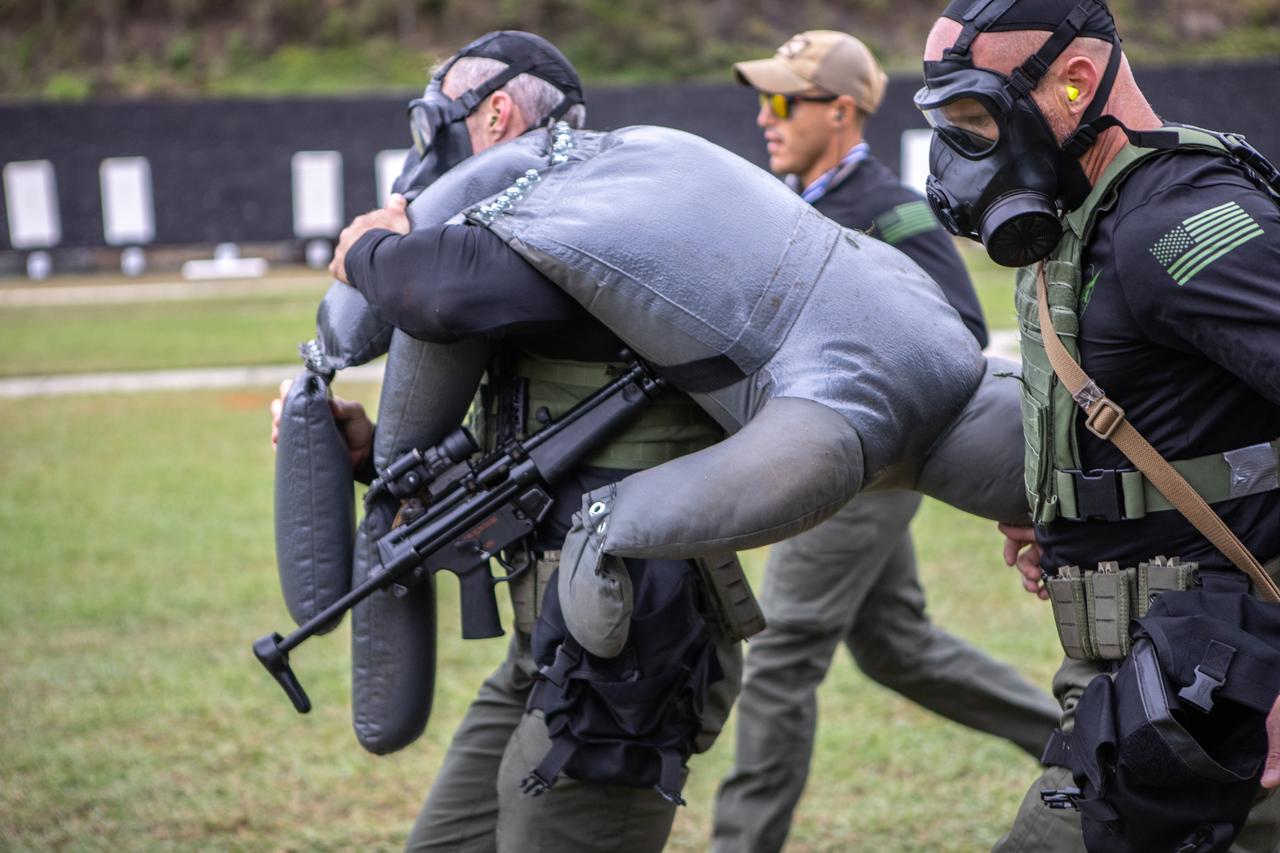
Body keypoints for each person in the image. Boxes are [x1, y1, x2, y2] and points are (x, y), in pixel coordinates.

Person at [276, 32, 740, 852]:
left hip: (629, 632)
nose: (427, 152)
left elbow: (441, 296)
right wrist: (370, 450)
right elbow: (527, 442)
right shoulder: (519, 225)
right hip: (551, 630)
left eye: (436, 125)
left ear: (495, 115)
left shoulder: (592, 212)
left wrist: (369, 249)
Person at [917, 0, 1280, 849]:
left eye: (977, 120)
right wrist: (1077, 512)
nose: (961, 155)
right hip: (1150, 677)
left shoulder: (1179, 226)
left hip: (1222, 684)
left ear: (1076, 83)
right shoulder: (1085, 219)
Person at [712, 30, 1059, 853]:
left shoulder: (888, 209)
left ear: (841, 111)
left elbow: (959, 333)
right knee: (897, 648)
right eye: (763, 101)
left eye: (782, 101)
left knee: (784, 647)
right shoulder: (793, 207)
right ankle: (1081, 743)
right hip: (834, 458)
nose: (766, 118)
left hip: (860, 465)